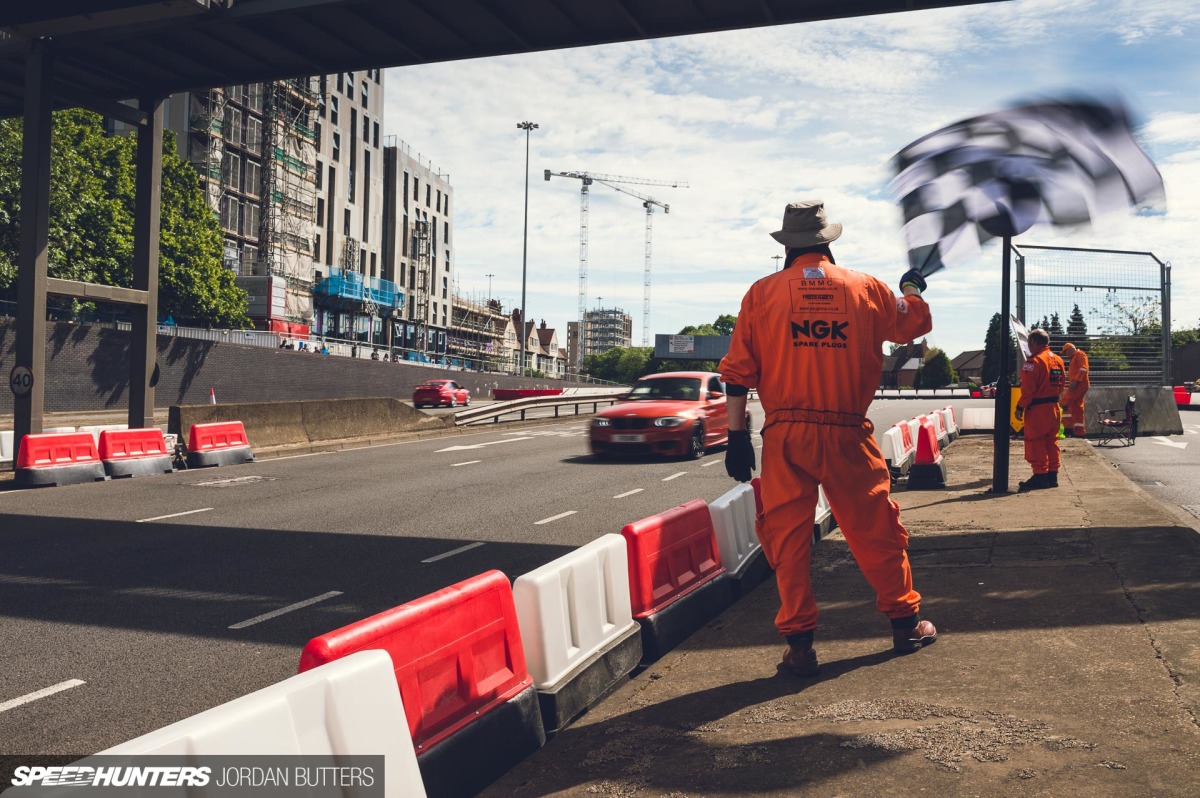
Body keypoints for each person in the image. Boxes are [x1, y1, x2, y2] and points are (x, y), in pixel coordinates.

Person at [719, 200, 937, 678]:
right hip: (846, 433)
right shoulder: (867, 289)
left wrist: (737, 437)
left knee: (788, 538)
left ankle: (799, 647)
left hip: (784, 436)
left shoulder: (761, 293)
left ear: (787, 246)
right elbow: (915, 321)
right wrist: (911, 287)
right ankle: (905, 624)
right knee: (875, 529)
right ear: (828, 242)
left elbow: (736, 374)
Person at [1015, 328, 1066, 491]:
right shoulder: (1058, 360)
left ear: (1033, 343)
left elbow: (1028, 389)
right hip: (1054, 408)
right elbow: (1062, 384)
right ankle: (1052, 476)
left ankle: (1040, 476)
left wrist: (1020, 407)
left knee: (1036, 441)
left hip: (1038, 409)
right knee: (1052, 441)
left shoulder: (1033, 362)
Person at [1059, 342, 1090, 437]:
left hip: (1079, 385)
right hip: (1079, 385)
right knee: (1077, 408)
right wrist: (1073, 382)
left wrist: (1075, 381)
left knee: (1063, 403)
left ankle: (1066, 428)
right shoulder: (1076, 357)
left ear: (1070, 349)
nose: (1066, 355)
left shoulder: (1079, 354)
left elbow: (1083, 369)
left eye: (1066, 352)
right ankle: (1079, 432)